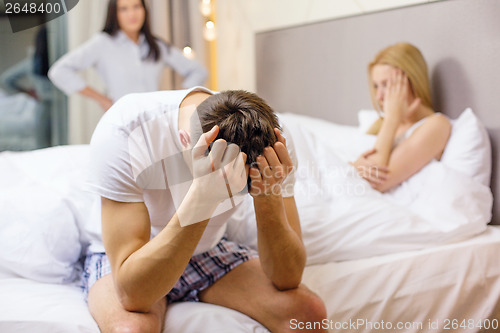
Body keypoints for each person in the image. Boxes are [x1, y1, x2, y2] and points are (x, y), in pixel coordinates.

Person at [83, 86, 327, 332]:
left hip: (206, 250)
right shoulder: (127, 129)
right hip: (132, 255)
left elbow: (288, 278)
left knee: (309, 313)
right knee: (131, 329)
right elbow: (134, 296)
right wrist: (203, 197)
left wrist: (267, 193)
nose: (232, 190)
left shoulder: (272, 141)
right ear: (184, 141)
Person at [48, 0, 207, 112]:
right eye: (123, 8)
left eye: (136, 6)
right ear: (114, 13)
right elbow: (59, 71)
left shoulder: (157, 46)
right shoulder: (102, 43)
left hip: (154, 120)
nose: (132, 14)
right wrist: (102, 99)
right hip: (121, 120)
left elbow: (199, 71)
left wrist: (176, 98)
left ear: (144, 9)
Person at [351, 42, 452, 192]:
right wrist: (355, 166)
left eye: (386, 84)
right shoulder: (380, 123)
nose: (379, 96)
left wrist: (392, 118)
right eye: (376, 86)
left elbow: (376, 182)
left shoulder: (437, 125)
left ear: (411, 81)